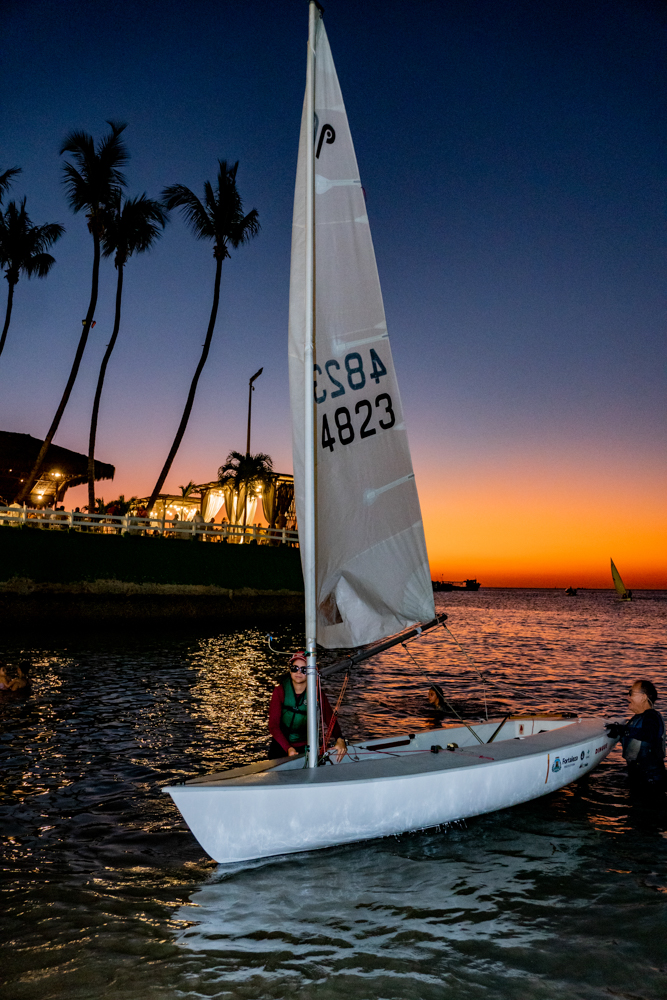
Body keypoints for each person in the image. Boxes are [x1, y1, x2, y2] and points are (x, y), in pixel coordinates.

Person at [268, 652, 347, 761]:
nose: (298, 672)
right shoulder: (280, 691)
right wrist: (288, 748)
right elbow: (273, 726)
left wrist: (340, 739)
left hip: (306, 747)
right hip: (281, 745)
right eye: (295, 668)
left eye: (304, 669)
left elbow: (329, 719)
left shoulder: (317, 693)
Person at [607, 679, 665, 792]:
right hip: (640, 779)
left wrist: (623, 730)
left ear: (643, 697)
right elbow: (635, 739)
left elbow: (649, 735)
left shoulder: (651, 717)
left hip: (651, 783)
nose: (627, 697)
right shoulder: (639, 718)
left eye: (631, 693)